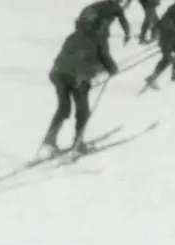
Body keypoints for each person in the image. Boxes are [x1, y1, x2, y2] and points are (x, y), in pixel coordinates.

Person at [41, 16, 120, 155]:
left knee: (64, 107)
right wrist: (112, 69)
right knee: (83, 110)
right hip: (78, 78)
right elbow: (104, 56)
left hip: (58, 74)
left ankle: (50, 137)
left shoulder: (71, 37)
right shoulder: (96, 38)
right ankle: (78, 142)